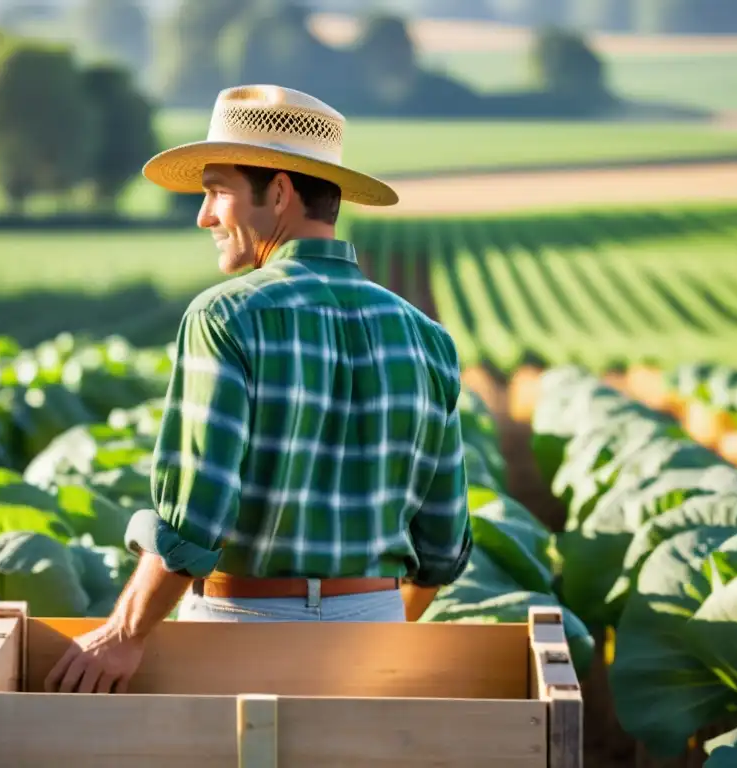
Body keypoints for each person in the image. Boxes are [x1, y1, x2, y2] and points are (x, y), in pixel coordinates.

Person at [45, 85, 473, 695]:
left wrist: (124, 633)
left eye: (217, 189)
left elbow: (192, 523)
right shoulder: (427, 337)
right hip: (379, 637)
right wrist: (362, 637)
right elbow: (442, 547)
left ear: (278, 191)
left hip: (238, 629)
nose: (204, 215)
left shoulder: (224, 317)